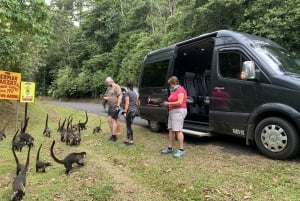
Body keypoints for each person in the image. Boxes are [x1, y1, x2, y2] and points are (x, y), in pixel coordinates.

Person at [161, 76, 187, 158]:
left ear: (174, 83)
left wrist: (168, 104)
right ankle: (170, 148)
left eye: (170, 84)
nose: (170, 86)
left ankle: (181, 150)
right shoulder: (174, 91)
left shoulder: (180, 90)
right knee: (171, 130)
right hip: (172, 111)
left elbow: (179, 102)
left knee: (178, 130)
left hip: (179, 111)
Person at [104, 76, 123, 142]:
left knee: (113, 120)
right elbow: (110, 97)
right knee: (109, 120)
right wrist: (106, 98)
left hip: (115, 106)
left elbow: (120, 96)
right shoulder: (110, 88)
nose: (107, 84)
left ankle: (114, 137)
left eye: (107, 83)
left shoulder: (116, 86)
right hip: (110, 107)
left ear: (110, 81)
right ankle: (113, 133)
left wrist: (118, 105)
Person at [122, 82, 138, 146]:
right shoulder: (135, 93)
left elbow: (127, 103)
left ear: (127, 87)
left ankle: (131, 140)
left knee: (128, 126)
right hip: (134, 111)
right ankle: (127, 139)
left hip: (130, 111)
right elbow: (136, 103)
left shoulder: (128, 93)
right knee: (129, 125)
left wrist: (125, 112)